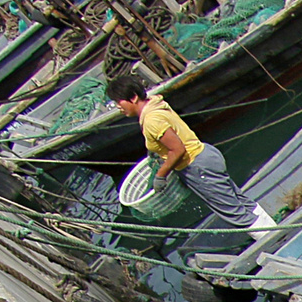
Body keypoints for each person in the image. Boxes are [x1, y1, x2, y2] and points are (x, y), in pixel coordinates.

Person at [107, 73, 276, 233]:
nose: (118, 108)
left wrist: (161, 174)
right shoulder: (156, 104)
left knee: (235, 213)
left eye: (118, 102)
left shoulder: (152, 120)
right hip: (206, 155)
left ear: (133, 98)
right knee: (240, 200)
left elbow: (178, 149)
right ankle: (274, 229)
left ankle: (273, 240)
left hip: (197, 167)